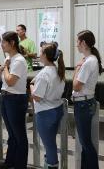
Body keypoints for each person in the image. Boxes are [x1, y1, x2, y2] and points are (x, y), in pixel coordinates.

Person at [30, 42, 65, 169]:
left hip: (45, 113)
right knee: (51, 143)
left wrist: (31, 86)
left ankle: (51, 165)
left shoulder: (44, 73)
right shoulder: (57, 70)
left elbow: (37, 97)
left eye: (40, 52)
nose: (39, 55)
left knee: (49, 145)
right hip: (56, 109)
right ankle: (49, 163)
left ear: (45, 55)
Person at [0, 31, 28, 169]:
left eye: (4, 42)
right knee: (11, 134)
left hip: (15, 99)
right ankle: (10, 161)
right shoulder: (8, 59)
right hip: (6, 97)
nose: (1, 45)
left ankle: (20, 165)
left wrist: (5, 69)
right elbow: (0, 78)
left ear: (12, 43)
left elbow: (10, 81)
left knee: (19, 134)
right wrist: (3, 68)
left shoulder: (19, 60)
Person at [72, 30, 101, 169]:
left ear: (83, 43)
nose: (76, 45)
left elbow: (76, 86)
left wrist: (77, 69)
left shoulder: (88, 62)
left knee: (86, 142)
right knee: (85, 143)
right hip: (85, 103)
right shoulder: (90, 60)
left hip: (83, 104)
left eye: (77, 41)